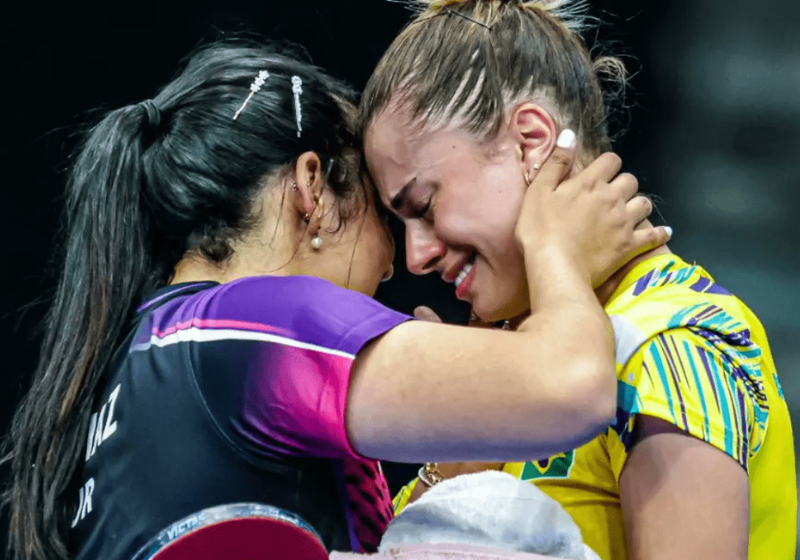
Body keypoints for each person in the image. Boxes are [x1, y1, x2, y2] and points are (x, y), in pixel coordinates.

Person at [2, 40, 667, 560]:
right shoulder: (251, 326)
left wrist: (450, 466)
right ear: (312, 189)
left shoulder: (139, 367)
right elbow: (572, 390)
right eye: (389, 214)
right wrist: (556, 246)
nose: (405, 263)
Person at [359, 1, 796, 559]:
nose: (415, 256)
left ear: (531, 143)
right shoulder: (514, 355)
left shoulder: (667, 343)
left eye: (424, 204)